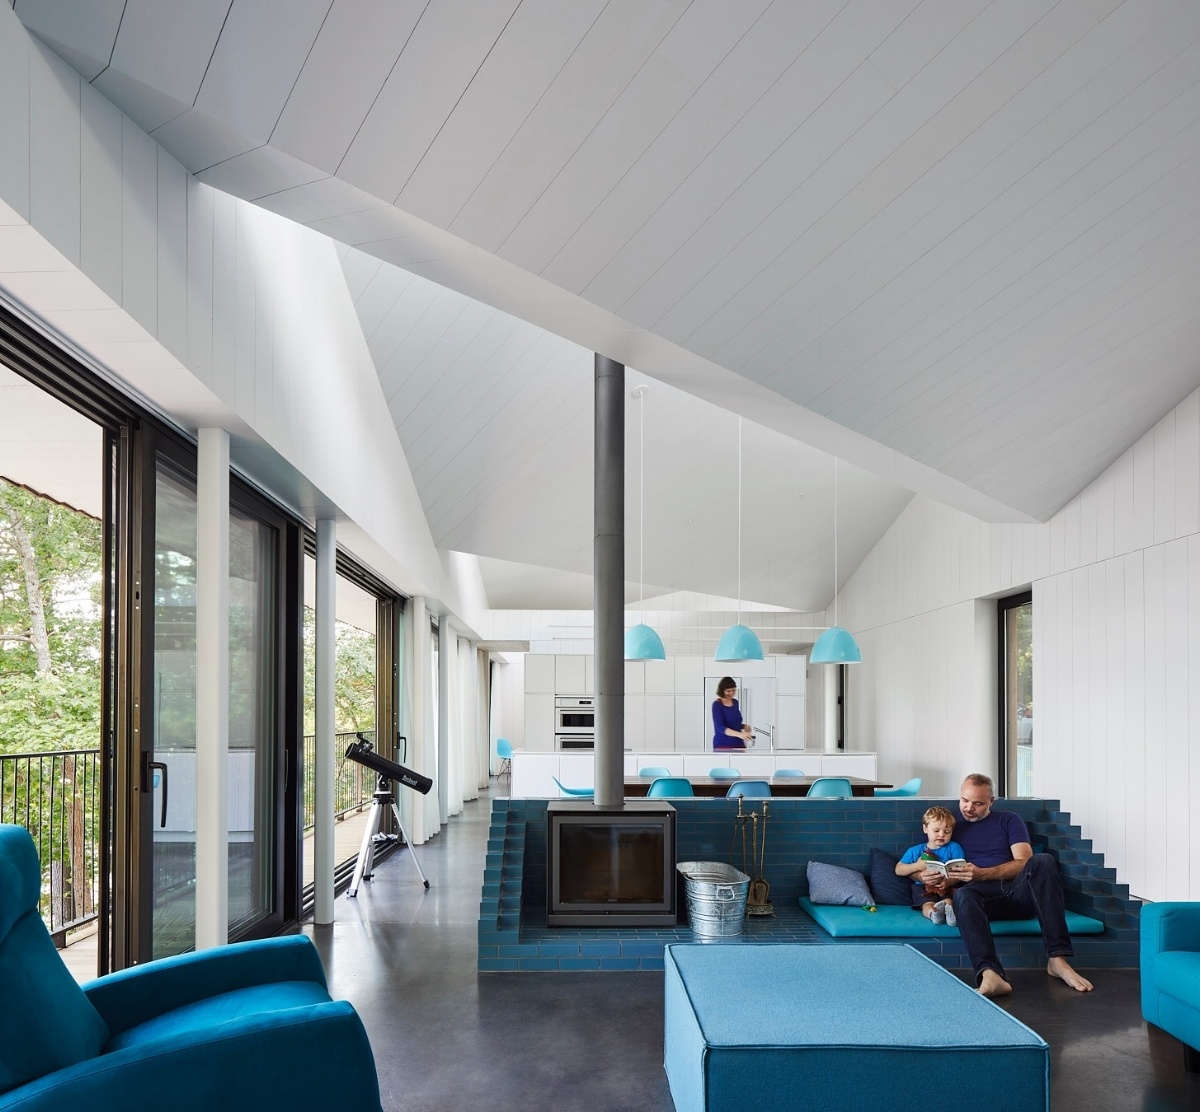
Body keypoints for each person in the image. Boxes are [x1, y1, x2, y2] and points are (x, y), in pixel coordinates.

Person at [921, 773, 1094, 998]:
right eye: (964, 800)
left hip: (1017, 892)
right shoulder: (950, 825)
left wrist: (982, 874)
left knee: (1043, 861)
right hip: (979, 898)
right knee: (963, 896)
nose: (969, 808)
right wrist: (935, 878)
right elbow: (935, 859)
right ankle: (990, 973)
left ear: (992, 802)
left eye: (978, 803)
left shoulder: (1009, 820)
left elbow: (1024, 861)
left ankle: (1057, 960)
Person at [894, 805, 965, 925]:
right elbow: (898, 869)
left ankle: (951, 916)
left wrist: (948, 881)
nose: (941, 834)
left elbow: (962, 870)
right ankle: (934, 915)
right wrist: (918, 866)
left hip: (946, 885)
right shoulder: (916, 850)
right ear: (925, 828)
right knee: (927, 904)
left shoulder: (954, 848)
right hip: (922, 886)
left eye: (947, 832)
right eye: (936, 831)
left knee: (948, 901)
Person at [711, 677, 751, 750]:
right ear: (722, 691)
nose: (731, 693)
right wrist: (740, 734)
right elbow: (721, 728)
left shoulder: (735, 702)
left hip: (738, 743)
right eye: (728, 691)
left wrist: (744, 726)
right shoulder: (717, 705)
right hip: (723, 744)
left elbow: (734, 723)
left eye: (733, 690)